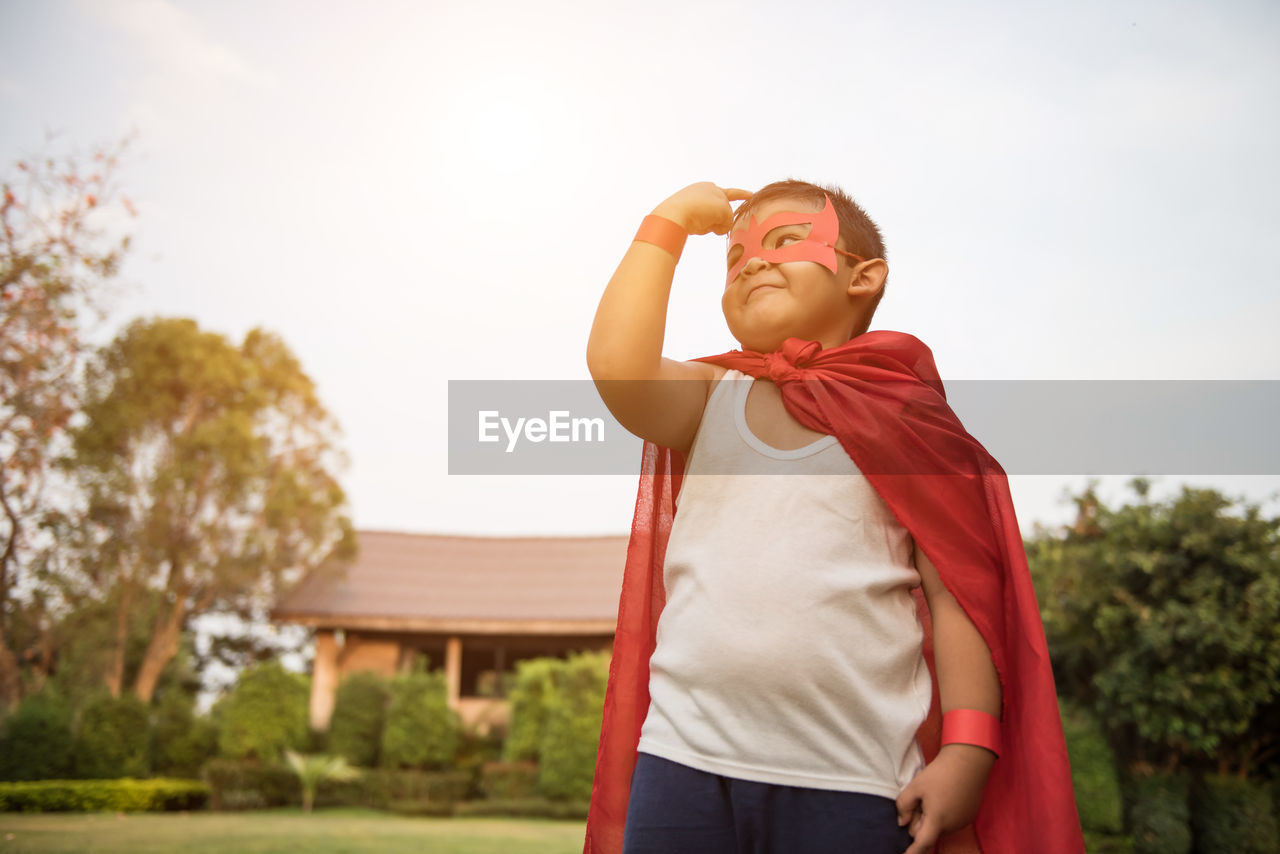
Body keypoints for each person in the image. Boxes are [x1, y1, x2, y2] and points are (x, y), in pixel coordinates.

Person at [584, 179, 1085, 854]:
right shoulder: (710, 399)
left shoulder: (911, 423)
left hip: (854, 777)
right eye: (734, 259)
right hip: (682, 758)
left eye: (785, 241)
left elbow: (958, 594)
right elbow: (618, 364)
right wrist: (668, 223)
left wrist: (968, 748)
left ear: (864, 275)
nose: (751, 262)